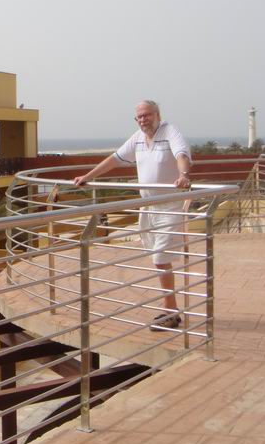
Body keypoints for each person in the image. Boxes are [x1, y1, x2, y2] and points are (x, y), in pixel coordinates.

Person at [73, 100, 192, 331]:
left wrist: (184, 175)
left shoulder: (170, 131)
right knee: (157, 256)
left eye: (147, 115)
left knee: (160, 257)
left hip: (169, 206)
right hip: (147, 206)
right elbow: (115, 159)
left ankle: (170, 311)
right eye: (139, 117)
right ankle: (171, 308)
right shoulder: (138, 138)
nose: (143, 120)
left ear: (157, 115)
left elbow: (181, 154)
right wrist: (88, 176)